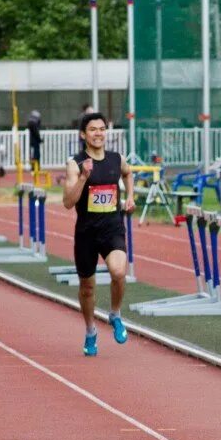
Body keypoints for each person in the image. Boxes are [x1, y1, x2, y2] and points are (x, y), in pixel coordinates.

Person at [62, 112, 135, 357]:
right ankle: (91, 330)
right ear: (83, 134)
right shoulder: (75, 163)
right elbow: (68, 202)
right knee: (87, 288)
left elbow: (128, 172)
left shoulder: (116, 159)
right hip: (86, 233)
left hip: (112, 228)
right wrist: (83, 177)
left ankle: (115, 313)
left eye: (102, 129)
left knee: (118, 272)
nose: (98, 133)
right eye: (93, 129)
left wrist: (131, 196)